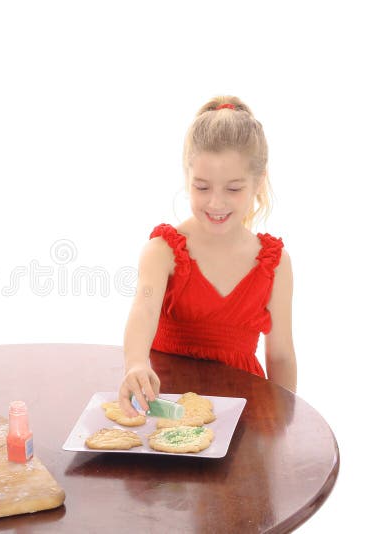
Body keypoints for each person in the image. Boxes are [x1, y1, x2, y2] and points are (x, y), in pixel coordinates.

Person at [119, 96, 297, 417]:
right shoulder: (163, 251)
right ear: (187, 178)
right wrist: (135, 363)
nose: (215, 203)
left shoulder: (275, 264)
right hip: (166, 410)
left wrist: (283, 420)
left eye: (232, 189)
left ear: (259, 182)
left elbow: (281, 356)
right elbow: (143, 310)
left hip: (244, 413)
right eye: (202, 187)